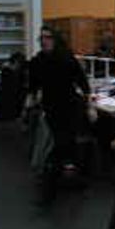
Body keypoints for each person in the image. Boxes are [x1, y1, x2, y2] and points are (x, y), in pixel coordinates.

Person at [28, 26, 91, 198]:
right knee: (62, 143)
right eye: (41, 38)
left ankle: (54, 182)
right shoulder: (38, 60)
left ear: (55, 39)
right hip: (52, 108)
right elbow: (33, 83)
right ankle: (57, 180)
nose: (44, 41)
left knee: (65, 143)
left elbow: (81, 80)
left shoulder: (66, 58)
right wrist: (33, 97)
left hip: (70, 106)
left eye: (48, 37)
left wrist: (88, 102)